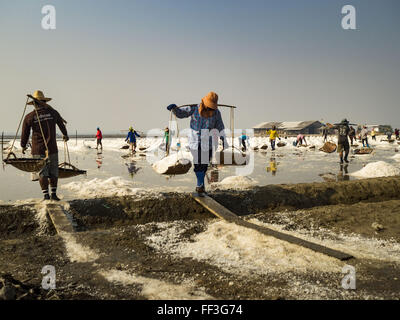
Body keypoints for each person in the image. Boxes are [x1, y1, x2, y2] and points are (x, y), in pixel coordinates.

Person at [166, 91, 226, 196]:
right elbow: (181, 114)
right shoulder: (194, 109)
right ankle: (200, 185)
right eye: (209, 107)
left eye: (212, 108)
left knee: (204, 164)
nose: (210, 109)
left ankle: (201, 185)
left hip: (208, 141)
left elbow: (220, 126)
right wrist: (175, 109)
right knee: (198, 163)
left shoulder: (216, 112)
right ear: (204, 103)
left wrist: (223, 138)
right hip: (195, 141)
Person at [21, 90, 69, 201]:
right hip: (52, 148)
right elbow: (62, 125)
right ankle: (54, 195)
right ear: (44, 102)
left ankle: (46, 196)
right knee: (53, 171)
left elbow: (25, 133)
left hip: (38, 150)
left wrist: (23, 146)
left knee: (42, 173)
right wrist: (65, 135)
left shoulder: (30, 116)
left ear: (34, 103)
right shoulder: (53, 113)